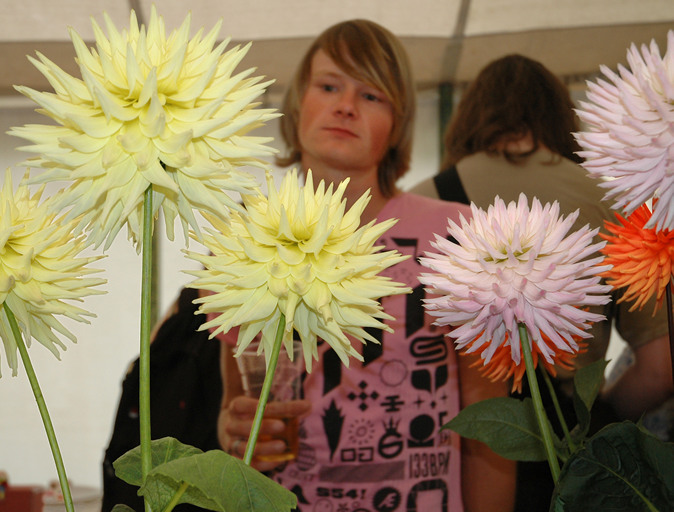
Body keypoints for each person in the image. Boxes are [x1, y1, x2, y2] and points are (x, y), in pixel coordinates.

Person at [217, 19, 516, 512]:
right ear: (297, 105)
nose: (345, 106)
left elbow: (489, 424)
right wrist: (233, 429)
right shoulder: (241, 238)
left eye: (372, 95)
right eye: (329, 85)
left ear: (397, 123)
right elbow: (234, 408)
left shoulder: (462, 235)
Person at [410, 53, 672, 511]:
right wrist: (599, 412)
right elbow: (660, 365)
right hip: (572, 444)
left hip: (452, 440)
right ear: (559, 115)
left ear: (469, 118)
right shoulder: (613, 201)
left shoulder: (421, 202)